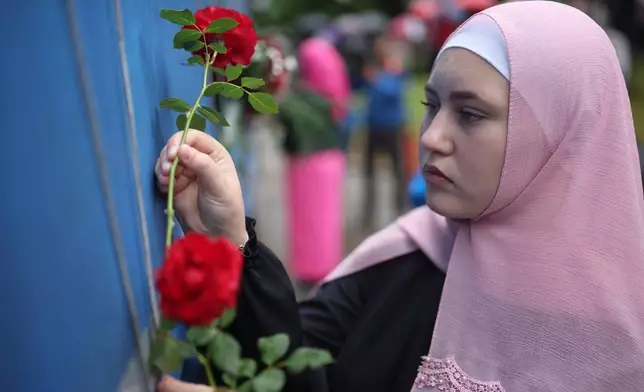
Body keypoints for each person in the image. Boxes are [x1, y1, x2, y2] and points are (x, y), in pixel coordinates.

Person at [155, 2, 644, 391]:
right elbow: (293, 366)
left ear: (557, 138)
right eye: (431, 105)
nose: (432, 136)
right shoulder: (408, 257)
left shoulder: (616, 333)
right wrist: (233, 239)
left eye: (470, 114)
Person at [362, 34, 408, 229]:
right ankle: (368, 214)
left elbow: (394, 92)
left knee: (397, 170)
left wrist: (378, 79)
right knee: (369, 171)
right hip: (374, 126)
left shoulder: (394, 70)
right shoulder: (374, 69)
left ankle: (400, 210)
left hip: (392, 126)